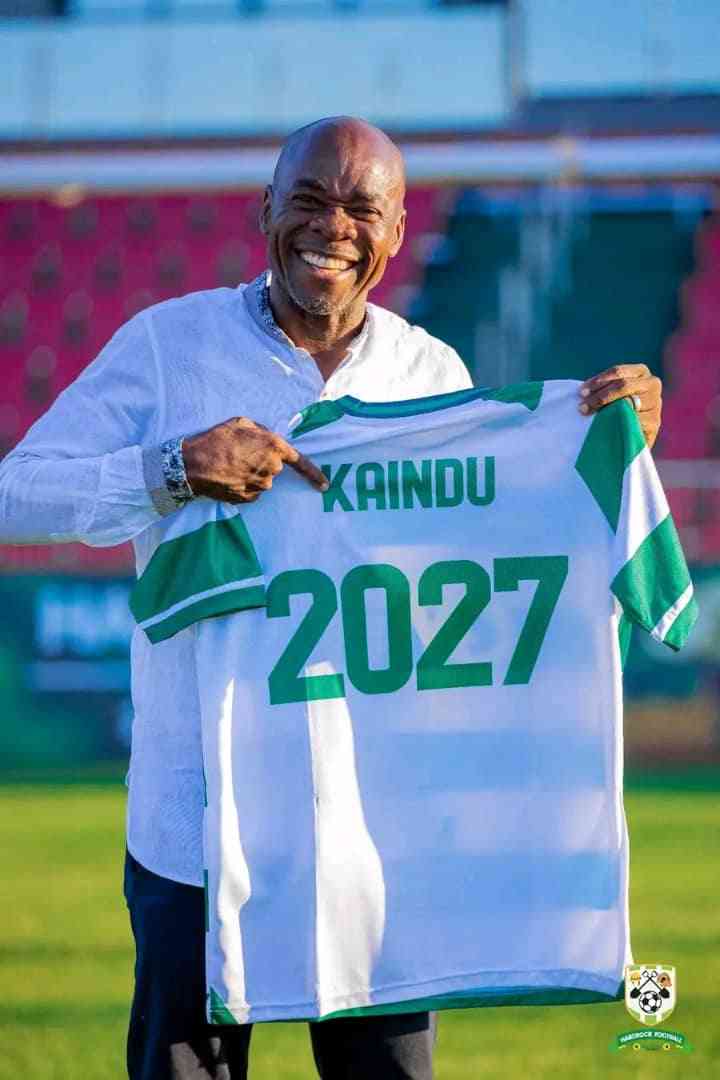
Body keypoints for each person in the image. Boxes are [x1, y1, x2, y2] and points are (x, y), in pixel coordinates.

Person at [0, 116, 663, 1080]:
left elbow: (480, 565)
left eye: (362, 209)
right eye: (308, 200)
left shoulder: (430, 372)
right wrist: (172, 468)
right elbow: (16, 494)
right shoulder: (168, 346)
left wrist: (607, 446)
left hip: (373, 830)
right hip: (197, 822)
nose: (333, 228)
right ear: (266, 209)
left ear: (397, 233)